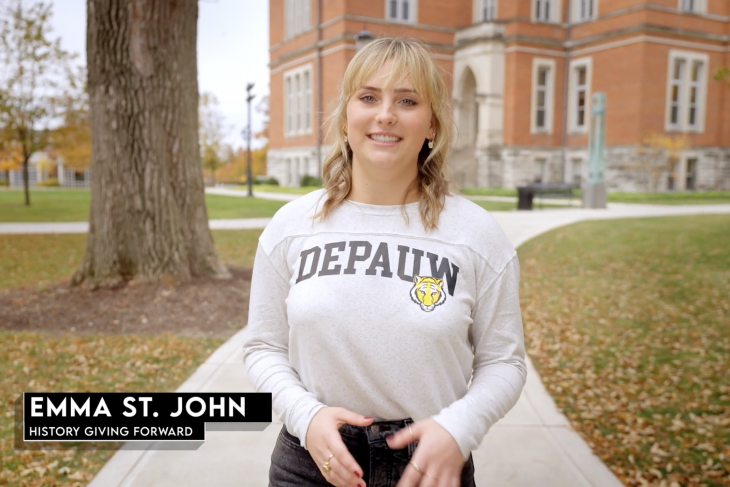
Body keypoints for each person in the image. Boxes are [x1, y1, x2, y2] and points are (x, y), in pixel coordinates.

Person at [242, 37, 526, 487]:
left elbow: (504, 362)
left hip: (431, 466)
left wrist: (460, 428)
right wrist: (306, 417)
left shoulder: (476, 235)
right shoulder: (291, 226)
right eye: (369, 97)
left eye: (408, 100)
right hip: (311, 465)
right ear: (347, 116)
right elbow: (263, 348)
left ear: (432, 124)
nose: (385, 114)